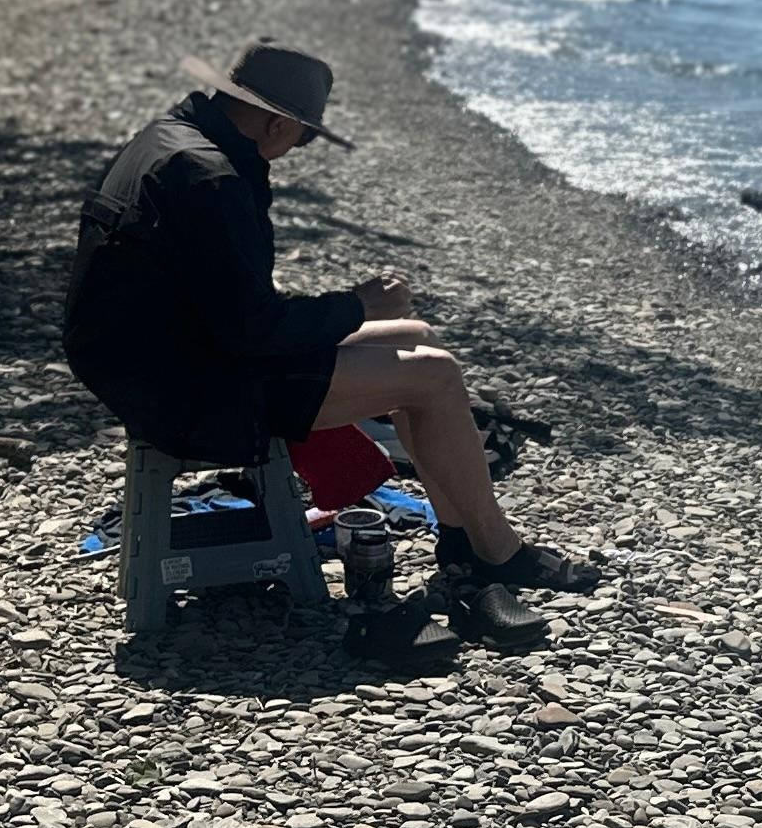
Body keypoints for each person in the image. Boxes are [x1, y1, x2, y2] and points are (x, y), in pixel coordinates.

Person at [62, 41, 596, 647]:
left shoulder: (170, 140)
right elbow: (253, 329)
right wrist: (357, 306)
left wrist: (344, 312)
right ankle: (494, 551)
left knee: (418, 339)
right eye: (303, 136)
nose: (295, 150)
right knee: (435, 375)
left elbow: (224, 305)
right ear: (276, 122)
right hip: (189, 391)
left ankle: (461, 547)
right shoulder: (211, 177)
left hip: (156, 360)